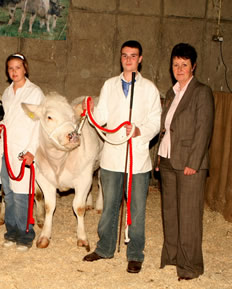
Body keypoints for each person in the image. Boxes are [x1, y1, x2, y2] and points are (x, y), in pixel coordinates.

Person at [83, 40, 162, 274]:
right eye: (125, 56)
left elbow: (155, 121)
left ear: (140, 59)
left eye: (133, 56)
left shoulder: (149, 89)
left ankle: (135, 254)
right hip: (112, 155)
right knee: (109, 206)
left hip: (136, 158)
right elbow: (102, 115)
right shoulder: (109, 85)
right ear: (121, 58)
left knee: (136, 209)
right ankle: (105, 247)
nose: (128, 60)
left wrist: (139, 130)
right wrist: (89, 110)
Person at [155, 43, 214, 281]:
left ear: (194, 66)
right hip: (168, 160)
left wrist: (194, 161)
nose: (179, 69)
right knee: (170, 212)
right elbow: (167, 130)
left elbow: (204, 130)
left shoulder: (201, 92)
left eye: (184, 65)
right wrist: (160, 157)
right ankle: (172, 256)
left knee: (188, 215)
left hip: (190, 163)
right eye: (176, 64)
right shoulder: (171, 93)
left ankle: (190, 266)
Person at [0, 53, 44, 252]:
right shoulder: (7, 92)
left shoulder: (35, 93)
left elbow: (38, 124)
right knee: (8, 194)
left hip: (22, 149)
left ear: (25, 68)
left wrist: (32, 151)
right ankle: (11, 232)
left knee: (22, 195)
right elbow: (10, 118)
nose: (14, 71)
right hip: (5, 148)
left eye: (18, 67)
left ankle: (26, 235)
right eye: (10, 68)